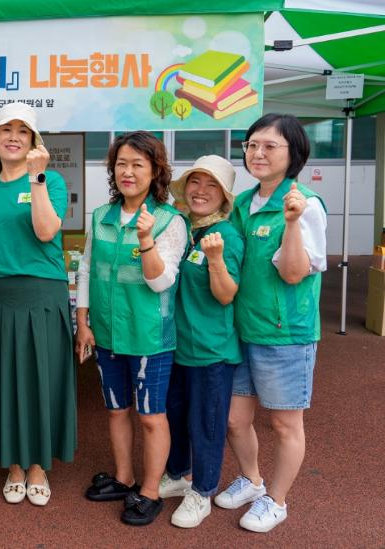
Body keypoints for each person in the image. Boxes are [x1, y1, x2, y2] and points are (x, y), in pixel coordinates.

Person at [215, 114, 327, 533]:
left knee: (284, 423)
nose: (257, 153)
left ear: (293, 153)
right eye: (251, 145)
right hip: (241, 329)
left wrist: (293, 223)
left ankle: (276, 500)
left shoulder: (305, 204)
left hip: (285, 335)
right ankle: (251, 478)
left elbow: (295, 273)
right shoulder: (244, 203)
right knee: (234, 419)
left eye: (269, 146)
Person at [76, 131, 187, 525]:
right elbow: (87, 267)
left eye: (138, 164)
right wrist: (83, 322)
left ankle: (150, 490)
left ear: (156, 170)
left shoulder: (169, 221)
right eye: (121, 163)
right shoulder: (102, 215)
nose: (128, 172)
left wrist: (145, 239)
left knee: (150, 417)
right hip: (106, 332)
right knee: (116, 410)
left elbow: (161, 281)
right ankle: (124, 478)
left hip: (149, 337)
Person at [0, 103, 76, 507]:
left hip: (43, 293)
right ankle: (13, 465)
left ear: (34, 142)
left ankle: (37, 465)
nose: (13, 137)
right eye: (5, 131)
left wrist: (36, 179)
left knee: (42, 378)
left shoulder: (49, 181)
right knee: (5, 379)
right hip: (1, 294)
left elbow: (46, 229)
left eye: (22, 131)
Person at [159, 155, 244, 528]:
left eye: (212, 186)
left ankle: (203, 490)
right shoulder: (185, 228)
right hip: (177, 345)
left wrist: (215, 259)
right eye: (195, 182)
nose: (201, 191)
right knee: (175, 415)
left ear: (224, 198)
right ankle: (178, 474)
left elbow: (226, 295)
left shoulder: (225, 236)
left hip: (211, 351)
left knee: (206, 424)